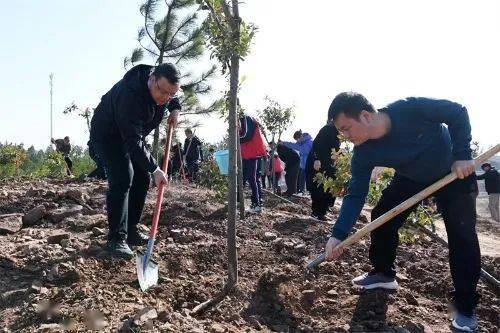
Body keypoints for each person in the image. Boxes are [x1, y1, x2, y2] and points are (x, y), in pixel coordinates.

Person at [324, 92, 479, 331]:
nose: (345, 137)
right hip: (412, 178)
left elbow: (457, 111)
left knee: (462, 236)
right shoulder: (363, 153)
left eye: (346, 128)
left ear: (365, 116)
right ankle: (383, 274)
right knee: (383, 216)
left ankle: (466, 307)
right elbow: (355, 194)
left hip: (453, 172)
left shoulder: (409, 109)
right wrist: (338, 234)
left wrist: (462, 156)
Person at [89, 63, 181, 259]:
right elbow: (133, 141)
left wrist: (175, 108)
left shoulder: (164, 85)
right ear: (152, 78)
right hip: (107, 134)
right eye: (162, 92)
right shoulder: (129, 95)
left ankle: (130, 229)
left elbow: (172, 93)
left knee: (142, 177)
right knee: (123, 177)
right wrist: (156, 168)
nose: (164, 98)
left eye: (170, 95)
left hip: (130, 135)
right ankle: (116, 239)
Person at [306, 121, 340, 221]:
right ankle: (317, 213)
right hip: (318, 162)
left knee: (329, 186)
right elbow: (316, 145)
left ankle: (323, 211)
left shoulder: (338, 133)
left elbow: (335, 150)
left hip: (328, 163)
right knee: (319, 188)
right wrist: (316, 159)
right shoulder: (328, 129)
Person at [239, 115, 267, 213]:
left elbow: (247, 135)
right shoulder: (242, 120)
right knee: (245, 178)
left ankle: (257, 204)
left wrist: (235, 138)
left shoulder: (246, 118)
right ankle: (240, 202)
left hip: (254, 154)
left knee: (253, 179)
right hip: (247, 154)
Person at [281, 130, 313, 194]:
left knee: (310, 180)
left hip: (310, 164)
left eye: (297, 139)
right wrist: (284, 143)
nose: (297, 141)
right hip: (303, 165)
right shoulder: (301, 142)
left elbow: (301, 149)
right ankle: (301, 191)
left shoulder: (309, 142)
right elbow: (293, 145)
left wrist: (285, 143)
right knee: (301, 179)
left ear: (301, 136)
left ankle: (310, 192)